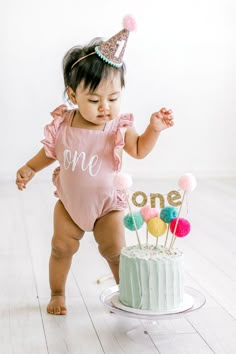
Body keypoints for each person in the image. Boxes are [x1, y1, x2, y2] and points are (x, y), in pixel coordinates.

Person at [15, 17, 174, 315]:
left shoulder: (117, 126)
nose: (105, 106)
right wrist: (29, 168)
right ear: (73, 95)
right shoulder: (63, 124)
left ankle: (128, 295)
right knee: (60, 247)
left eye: (113, 97)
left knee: (115, 251)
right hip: (69, 204)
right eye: (94, 99)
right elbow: (51, 152)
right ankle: (58, 293)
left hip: (106, 207)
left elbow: (138, 149)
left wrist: (153, 129)